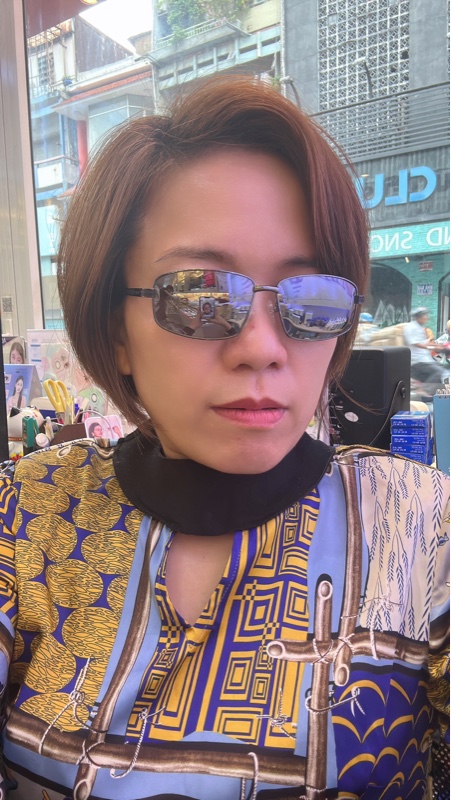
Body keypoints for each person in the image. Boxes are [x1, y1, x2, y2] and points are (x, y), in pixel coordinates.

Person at [0, 77, 448, 800]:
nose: (262, 348)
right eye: (201, 296)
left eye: (311, 299)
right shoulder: (24, 514)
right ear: (116, 330)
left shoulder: (424, 525)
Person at [403, 307, 449, 396]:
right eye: (425, 315)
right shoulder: (411, 327)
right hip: (418, 360)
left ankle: (428, 396)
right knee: (440, 372)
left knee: (442, 375)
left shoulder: (420, 328)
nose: (427, 317)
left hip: (425, 359)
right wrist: (430, 347)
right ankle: (424, 391)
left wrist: (439, 347)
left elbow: (424, 342)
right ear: (418, 316)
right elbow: (416, 343)